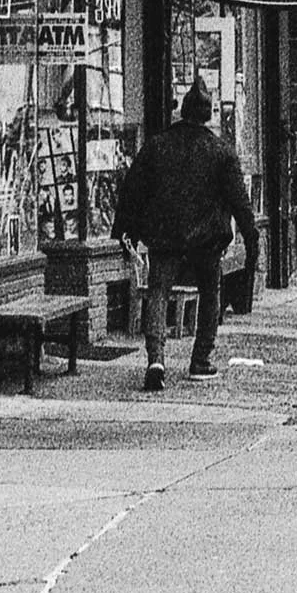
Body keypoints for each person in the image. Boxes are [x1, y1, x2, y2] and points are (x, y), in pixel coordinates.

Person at [112, 77, 259, 393]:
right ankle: (201, 360)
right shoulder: (221, 152)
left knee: (158, 292)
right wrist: (251, 236)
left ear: (183, 110)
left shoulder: (157, 145)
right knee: (210, 292)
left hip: (165, 234)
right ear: (207, 114)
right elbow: (239, 201)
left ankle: (156, 359)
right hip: (207, 237)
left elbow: (132, 191)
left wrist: (126, 231)